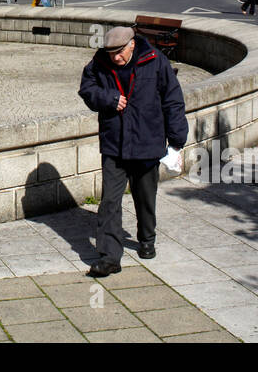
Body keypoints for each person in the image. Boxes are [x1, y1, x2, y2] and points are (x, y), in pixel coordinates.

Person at [78, 26, 189, 277]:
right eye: (111, 53)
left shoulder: (155, 60)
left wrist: (177, 140)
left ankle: (147, 238)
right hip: (114, 143)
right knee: (109, 202)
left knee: (145, 196)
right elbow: (87, 89)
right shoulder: (99, 62)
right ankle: (109, 257)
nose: (115, 58)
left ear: (131, 45)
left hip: (147, 141)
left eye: (119, 52)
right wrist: (109, 98)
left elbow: (173, 99)